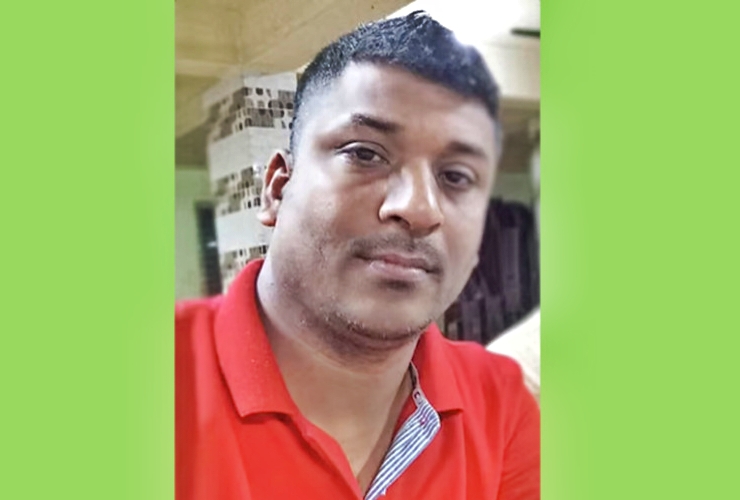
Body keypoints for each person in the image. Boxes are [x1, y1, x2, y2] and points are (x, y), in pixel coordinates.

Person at [176, 11, 540, 500]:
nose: (420, 209)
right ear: (277, 188)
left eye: (455, 177)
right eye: (365, 153)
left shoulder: (499, 400)